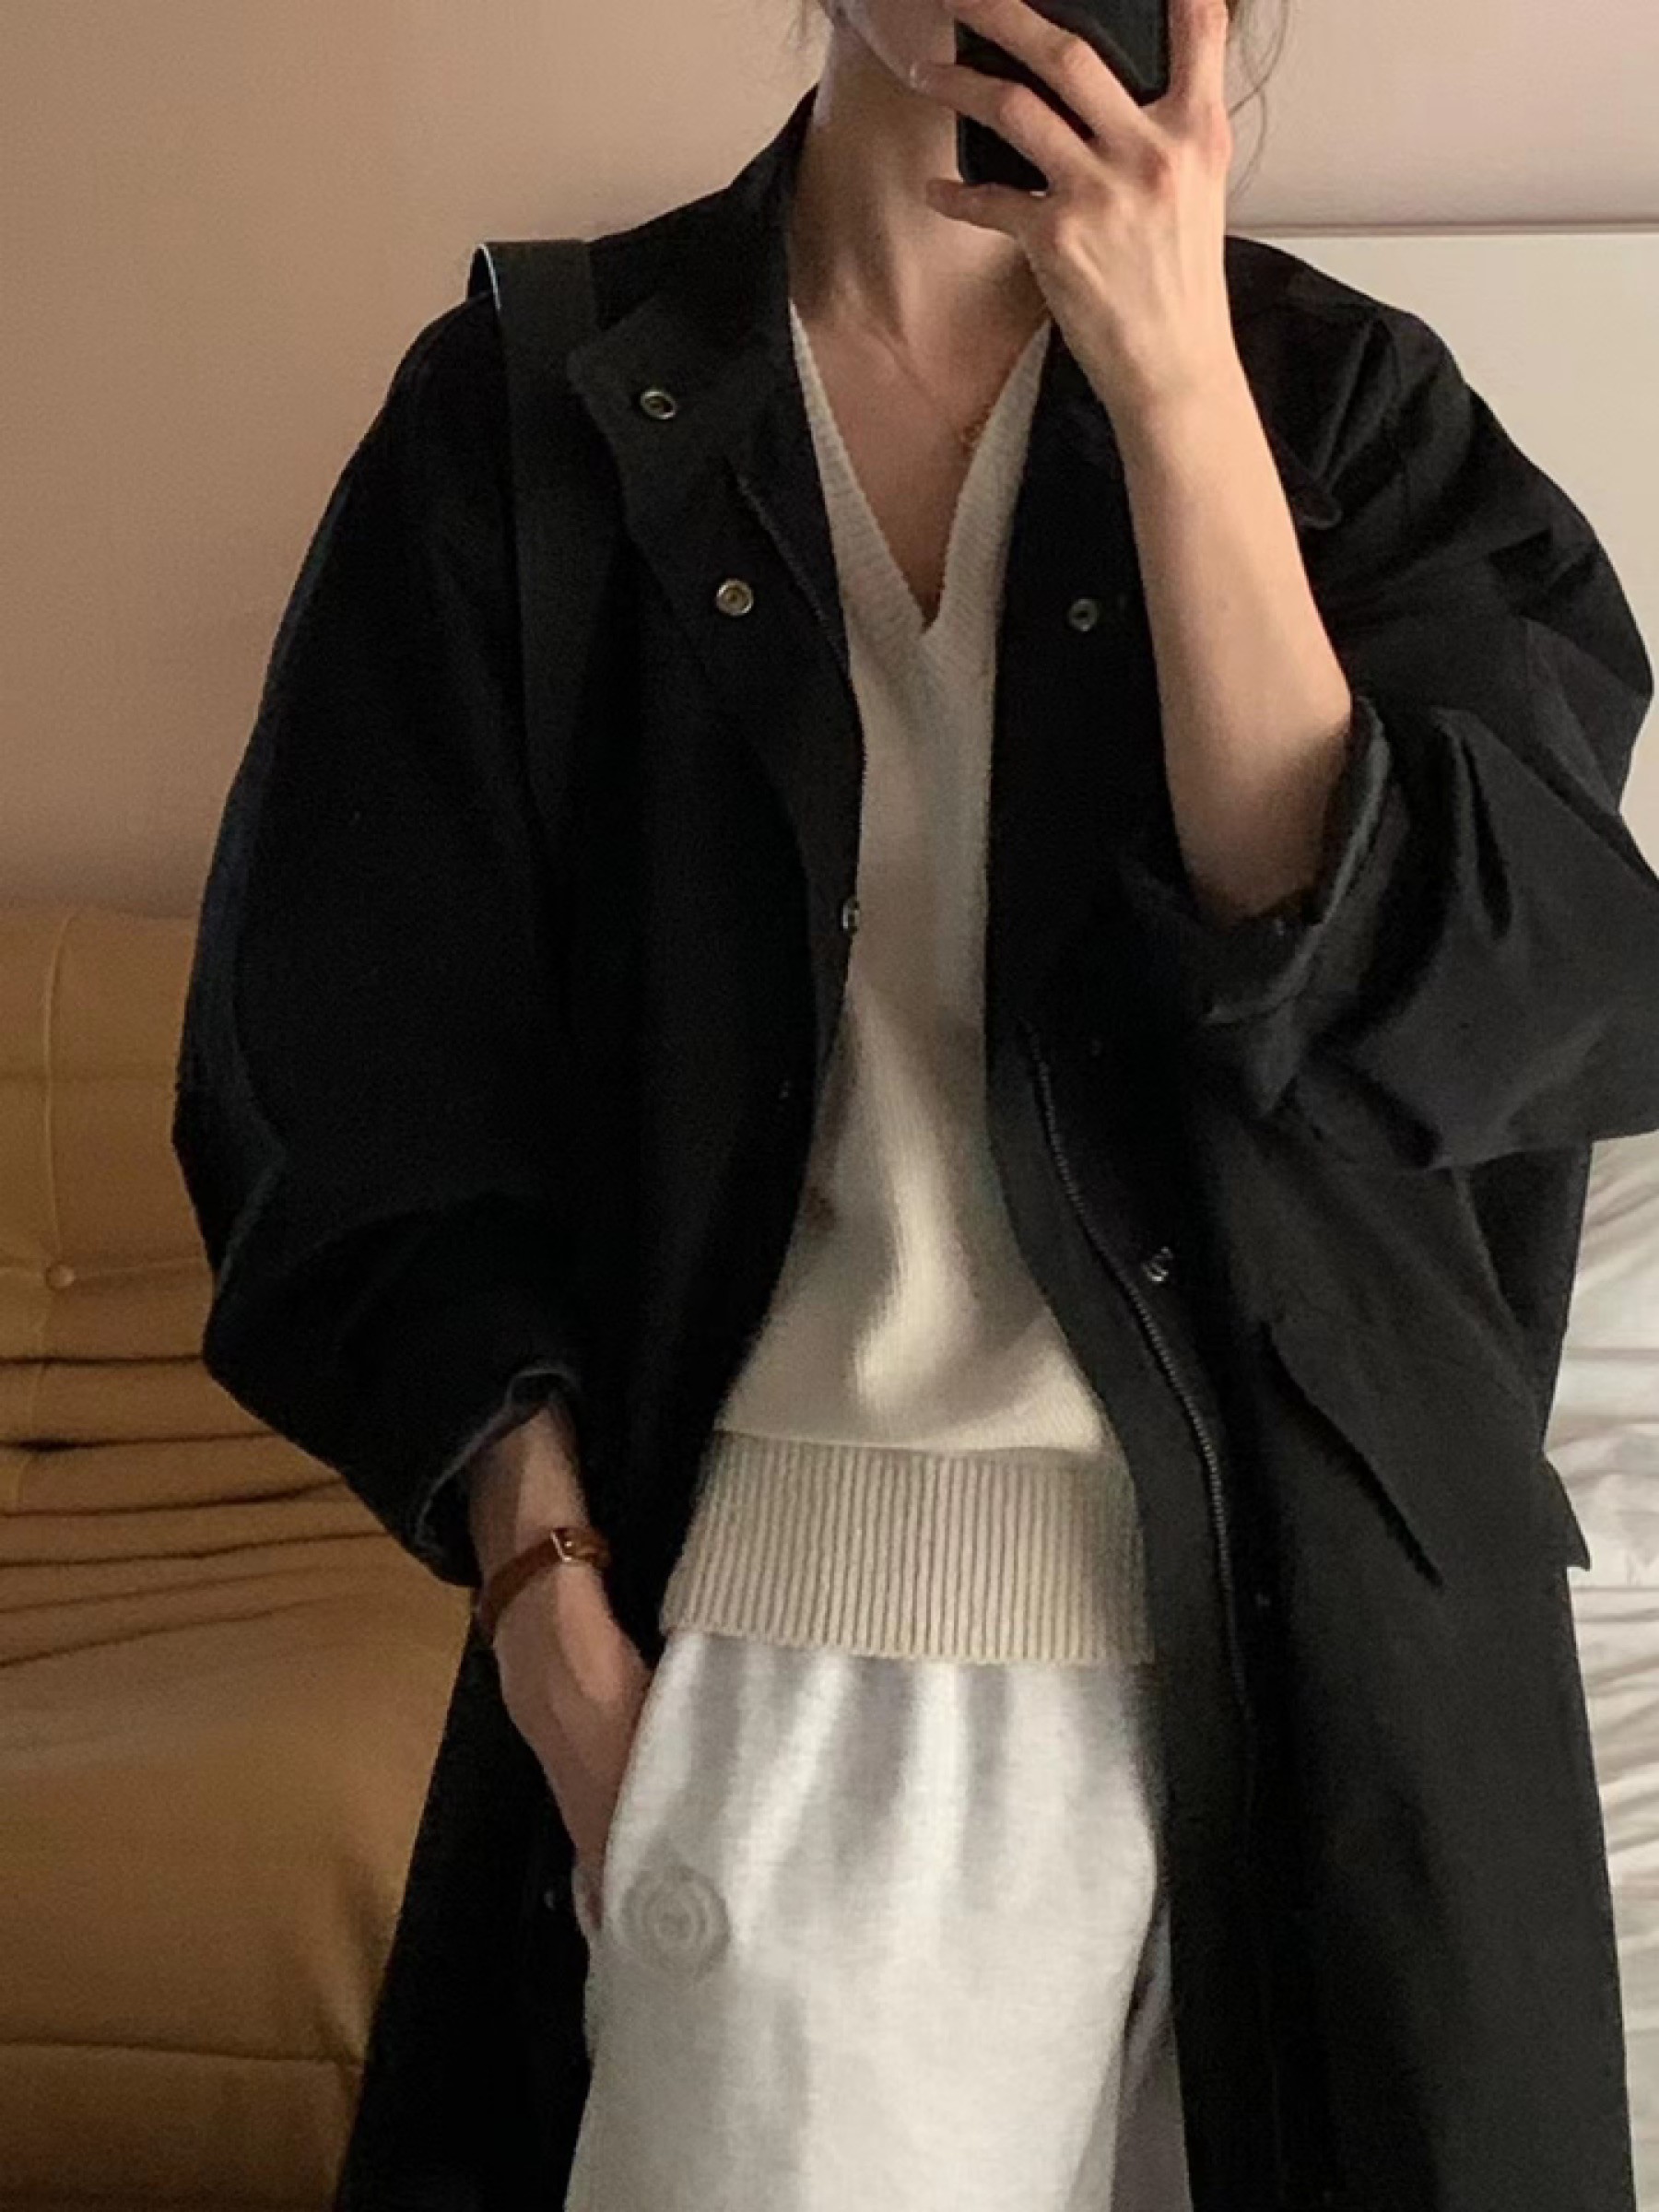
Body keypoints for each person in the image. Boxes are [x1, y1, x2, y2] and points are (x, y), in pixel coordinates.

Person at [172, 0, 1659, 2203]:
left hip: (1359, 1711)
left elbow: (1461, 994)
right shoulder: (525, 418)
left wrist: (1173, 379)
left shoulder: (1349, 415)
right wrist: (550, 1609)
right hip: (798, 1700)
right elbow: (352, 1090)